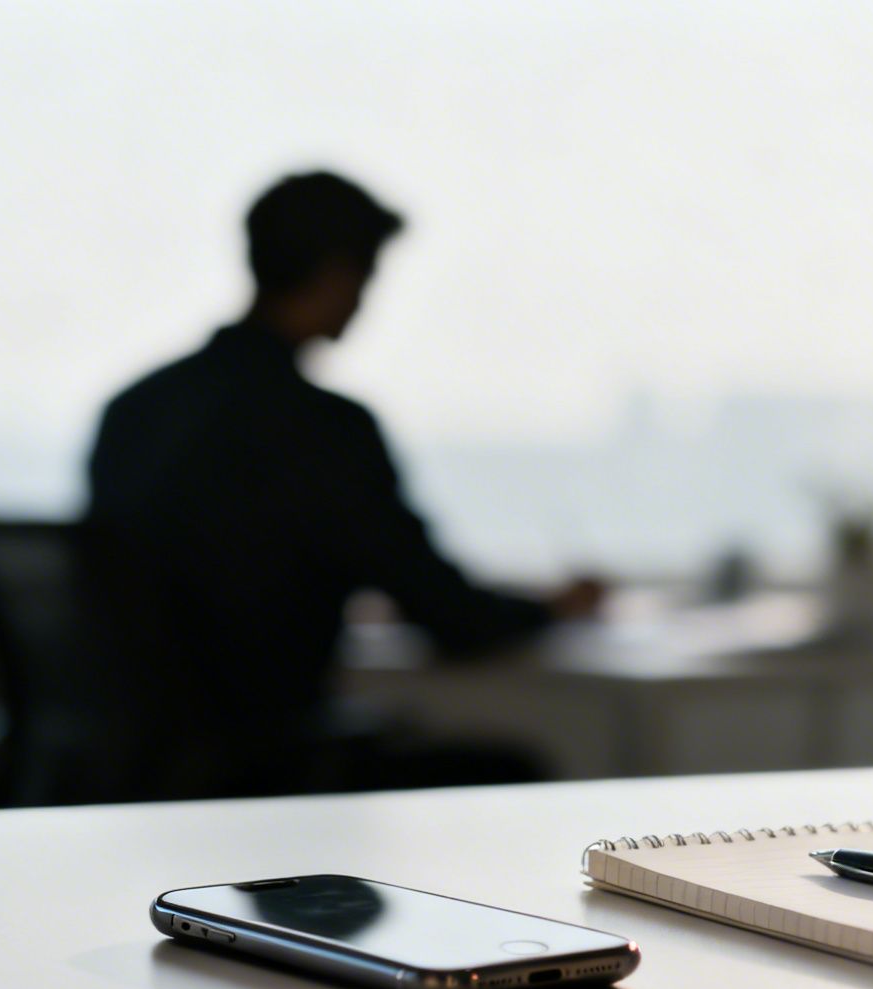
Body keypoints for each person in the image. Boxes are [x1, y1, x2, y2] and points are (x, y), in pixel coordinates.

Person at [83, 171, 600, 800]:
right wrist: (554, 607)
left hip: (136, 768)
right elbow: (451, 616)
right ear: (339, 275)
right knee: (515, 778)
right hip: (263, 770)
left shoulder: (134, 410)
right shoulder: (326, 430)